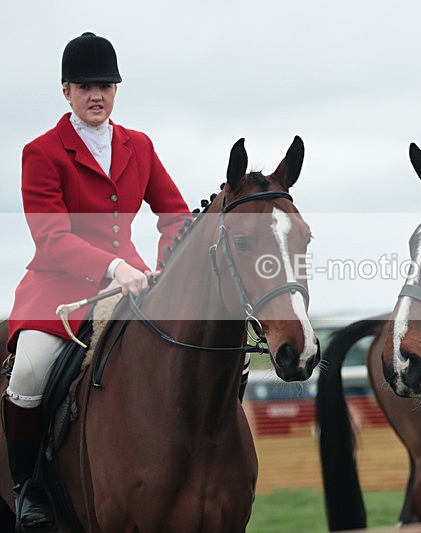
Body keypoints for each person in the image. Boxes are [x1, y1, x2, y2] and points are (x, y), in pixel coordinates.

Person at [3, 32, 189, 529]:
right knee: (27, 377)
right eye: (85, 86)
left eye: (106, 85)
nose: (97, 95)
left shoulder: (139, 145)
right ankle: (29, 492)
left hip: (132, 283)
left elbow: (175, 217)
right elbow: (50, 237)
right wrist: (114, 268)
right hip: (59, 290)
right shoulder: (41, 152)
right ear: (66, 91)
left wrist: (162, 268)